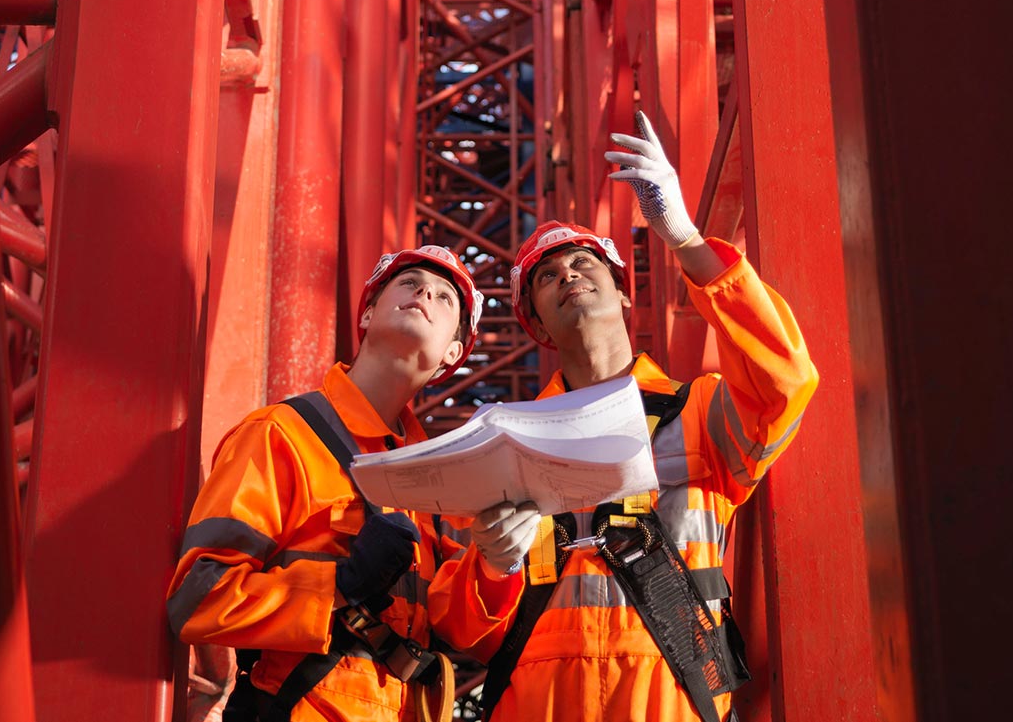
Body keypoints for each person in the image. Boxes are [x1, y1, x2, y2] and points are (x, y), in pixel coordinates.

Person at [470, 111, 820, 722]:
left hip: (670, 690)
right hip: (537, 699)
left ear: (624, 289)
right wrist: (492, 564)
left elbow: (785, 380)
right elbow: (465, 621)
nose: (568, 275)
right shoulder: (508, 446)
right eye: (546, 277)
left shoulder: (699, 412)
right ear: (537, 326)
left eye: (584, 264)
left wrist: (685, 238)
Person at [168, 246, 534, 722]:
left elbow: (474, 636)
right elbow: (199, 599)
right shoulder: (282, 434)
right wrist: (338, 585)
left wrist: (499, 563)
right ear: (366, 313)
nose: (426, 292)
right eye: (410, 283)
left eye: (446, 298)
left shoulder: (441, 489)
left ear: (452, 353)